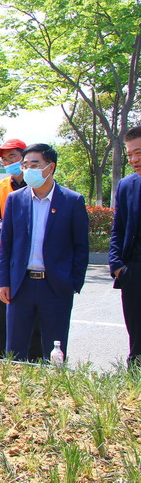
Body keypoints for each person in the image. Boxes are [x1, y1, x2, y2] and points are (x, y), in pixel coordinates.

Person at [0, 143, 89, 361]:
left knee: (54, 352)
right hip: (21, 285)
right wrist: (4, 282)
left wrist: (73, 282)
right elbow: (6, 244)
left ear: (50, 167)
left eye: (35, 165)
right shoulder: (15, 199)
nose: (28, 170)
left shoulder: (72, 201)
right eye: (25, 165)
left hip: (55, 286)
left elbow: (81, 247)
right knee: (15, 351)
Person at [0, 138, 42, 360]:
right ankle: (0, 353)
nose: (8, 162)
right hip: (3, 255)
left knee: (32, 307)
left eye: (12, 156)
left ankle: (34, 357)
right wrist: (6, 232)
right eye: (4, 159)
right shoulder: (1, 186)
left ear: (24, 158)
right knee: (1, 307)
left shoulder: (37, 183)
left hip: (31, 257)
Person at [109, 126, 141, 370]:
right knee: (137, 333)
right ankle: (135, 377)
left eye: (138, 153)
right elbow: (118, 228)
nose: (133, 160)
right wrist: (117, 266)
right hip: (134, 270)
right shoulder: (127, 185)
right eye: (130, 154)